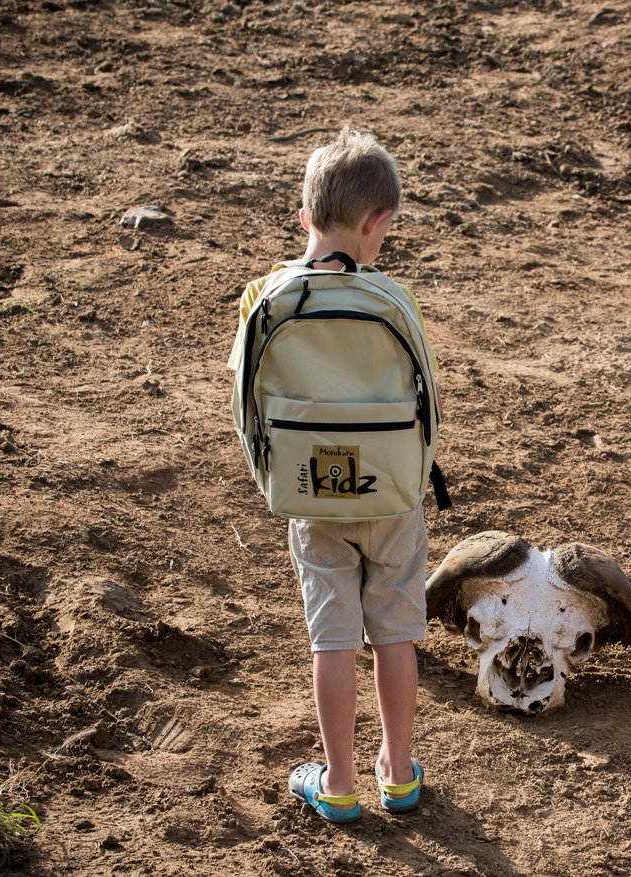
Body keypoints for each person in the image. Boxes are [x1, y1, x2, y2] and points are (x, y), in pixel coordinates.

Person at [226, 127, 433, 823]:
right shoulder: (391, 299)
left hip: (312, 495)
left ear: (304, 214)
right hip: (392, 496)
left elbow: (245, 406)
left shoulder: (267, 298)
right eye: (388, 230)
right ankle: (399, 773)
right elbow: (427, 407)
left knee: (333, 636)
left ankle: (338, 781)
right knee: (394, 633)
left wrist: (277, 481)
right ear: (377, 221)